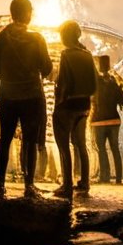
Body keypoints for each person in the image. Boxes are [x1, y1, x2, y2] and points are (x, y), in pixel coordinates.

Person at [0, 0, 52, 200]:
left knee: (5, 139)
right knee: (29, 140)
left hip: (8, 95)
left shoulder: (1, 37)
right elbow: (47, 67)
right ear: (27, 13)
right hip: (32, 96)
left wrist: (10, 80)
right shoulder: (37, 38)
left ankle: (0, 186)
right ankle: (29, 185)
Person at [53, 20, 98, 202]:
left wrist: (59, 101)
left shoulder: (66, 54)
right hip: (84, 105)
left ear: (65, 36)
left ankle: (67, 185)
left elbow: (64, 81)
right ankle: (84, 182)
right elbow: (94, 83)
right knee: (81, 144)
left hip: (68, 105)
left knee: (64, 146)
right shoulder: (87, 55)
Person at [91, 54, 123, 184]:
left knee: (101, 149)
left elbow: (91, 97)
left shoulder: (96, 82)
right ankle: (118, 178)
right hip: (114, 119)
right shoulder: (115, 82)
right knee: (115, 148)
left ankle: (104, 177)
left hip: (99, 119)